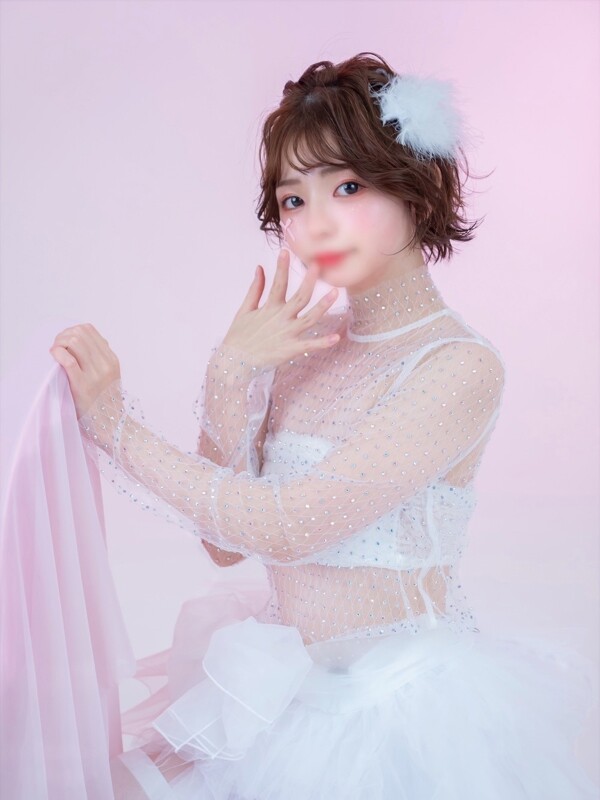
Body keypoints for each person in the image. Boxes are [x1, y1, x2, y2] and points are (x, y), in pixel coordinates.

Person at [49, 52, 597, 799]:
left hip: (399, 710)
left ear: (416, 186)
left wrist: (115, 427)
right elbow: (222, 545)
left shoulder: (458, 366)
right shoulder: (303, 350)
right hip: (282, 696)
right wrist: (232, 373)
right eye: (293, 199)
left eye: (347, 186)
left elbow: (287, 526)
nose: (317, 222)